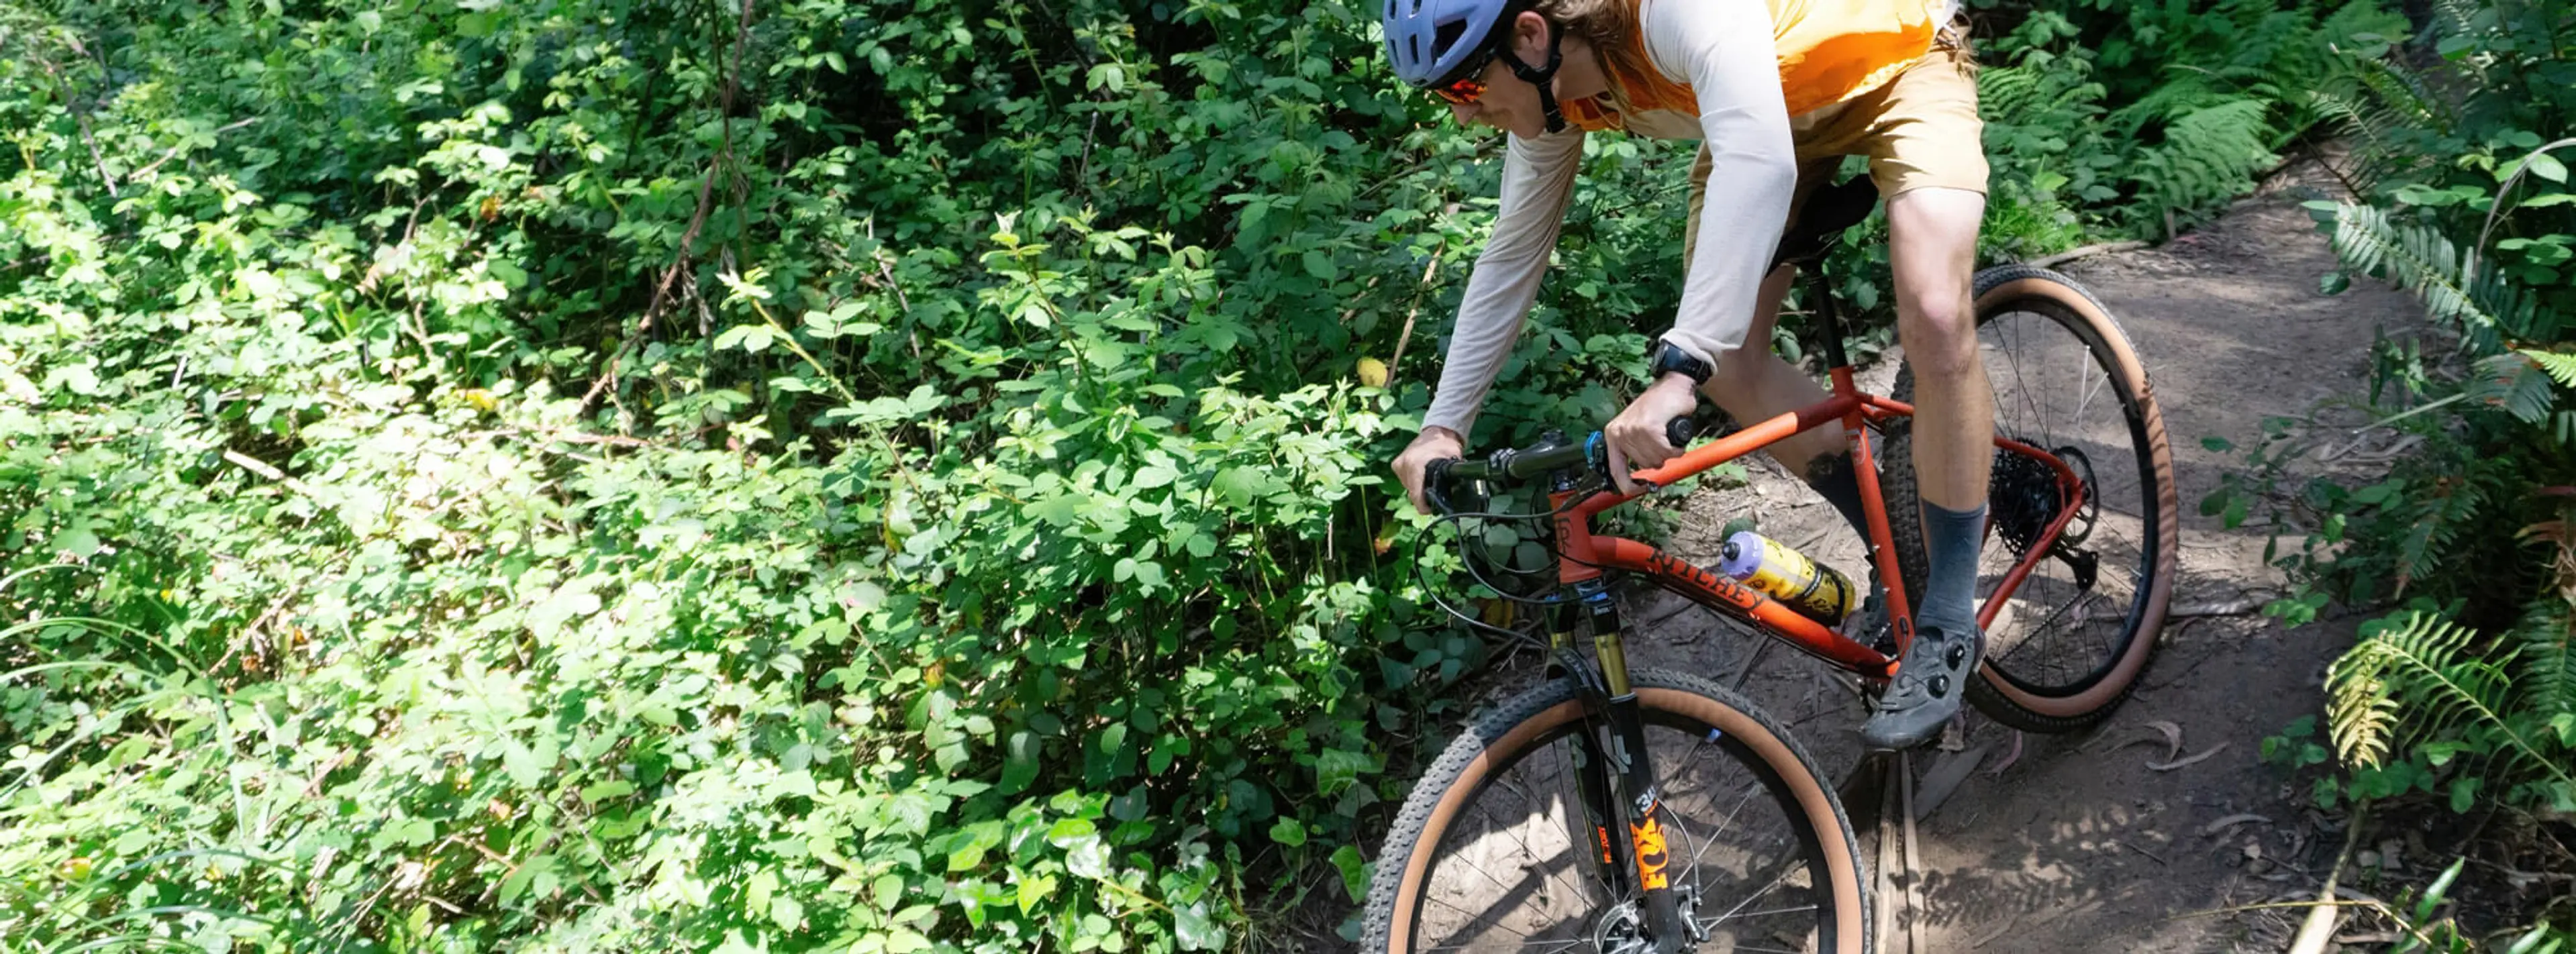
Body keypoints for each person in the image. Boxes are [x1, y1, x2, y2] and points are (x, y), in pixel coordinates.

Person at [1381, 0, 1997, 749]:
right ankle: (1904, 545)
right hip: (1774, 117)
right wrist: (1444, 425)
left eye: (1463, 90)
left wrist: (1678, 368)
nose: (1463, 116)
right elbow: (1513, 252)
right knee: (1728, 365)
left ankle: (1946, 616)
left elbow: (1757, 158)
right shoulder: (1553, 98)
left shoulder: (1669, 11)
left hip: (1895, 67)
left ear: (1530, 35)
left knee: (1933, 312)